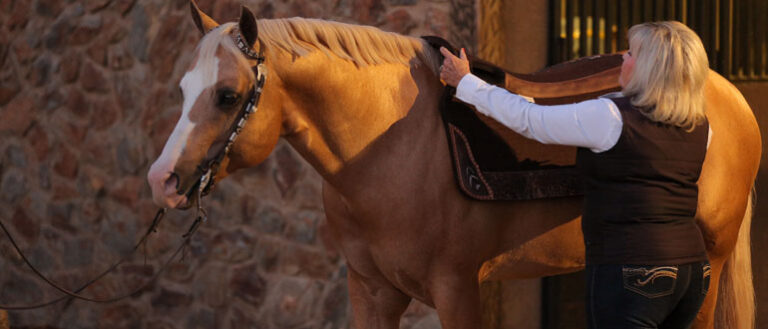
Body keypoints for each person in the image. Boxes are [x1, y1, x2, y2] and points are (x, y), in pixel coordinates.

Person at [439, 21, 712, 329]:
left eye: (631, 52)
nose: (622, 57)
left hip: (633, 271)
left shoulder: (609, 117)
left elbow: (530, 121)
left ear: (650, 67)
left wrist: (466, 82)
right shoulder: (702, 127)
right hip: (693, 273)